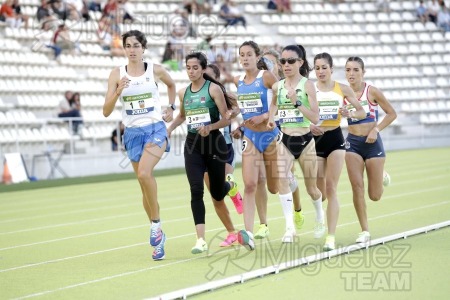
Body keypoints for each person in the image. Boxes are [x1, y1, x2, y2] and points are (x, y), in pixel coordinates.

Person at [103, 30, 176, 261]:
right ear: (124, 49)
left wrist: (171, 108)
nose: (132, 49)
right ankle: (159, 236)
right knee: (143, 186)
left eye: (136, 45)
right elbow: (106, 111)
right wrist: (118, 91)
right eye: (128, 46)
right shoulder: (116, 74)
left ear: (143, 48)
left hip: (155, 129)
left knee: (145, 174)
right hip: (132, 133)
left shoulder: (155, 70)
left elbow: (172, 86)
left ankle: (155, 225)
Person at [167, 52, 241, 254]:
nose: (191, 71)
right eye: (188, 68)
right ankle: (200, 239)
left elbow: (227, 119)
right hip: (193, 145)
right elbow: (182, 115)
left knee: (217, 193)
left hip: (214, 144)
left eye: (195, 68)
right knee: (196, 189)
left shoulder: (214, 89)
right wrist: (170, 129)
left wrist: (211, 127)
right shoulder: (183, 93)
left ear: (202, 68)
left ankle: (229, 185)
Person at [267, 45, 323, 243]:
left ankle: (319, 217)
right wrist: (271, 118)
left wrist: (297, 102)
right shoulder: (277, 86)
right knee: (282, 179)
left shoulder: (308, 85)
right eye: (283, 61)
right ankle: (289, 228)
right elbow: (274, 102)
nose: (286, 65)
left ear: (300, 62)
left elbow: (315, 117)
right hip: (285, 140)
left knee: (312, 189)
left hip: (306, 140)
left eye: (291, 61)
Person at [311, 52, 366, 251]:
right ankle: (319, 214)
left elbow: (362, 111)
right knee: (318, 191)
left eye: (324, 67)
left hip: (335, 138)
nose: (320, 71)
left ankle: (330, 237)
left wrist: (349, 113)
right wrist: (309, 126)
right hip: (315, 141)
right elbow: (299, 114)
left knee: (331, 187)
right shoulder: (309, 89)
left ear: (331, 69)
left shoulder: (341, 89)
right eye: (317, 68)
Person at [344, 56, 397, 244]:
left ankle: (381, 174)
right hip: (352, 144)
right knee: (356, 186)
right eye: (348, 70)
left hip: (373, 143)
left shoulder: (372, 91)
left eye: (355, 70)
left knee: (374, 196)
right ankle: (364, 230)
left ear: (363, 72)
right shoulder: (342, 93)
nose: (351, 74)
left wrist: (376, 129)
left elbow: (392, 113)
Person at [233, 41, 279, 251]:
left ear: (257, 56)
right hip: (250, 136)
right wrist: (239, 125)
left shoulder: (266, 77)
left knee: (274, 186)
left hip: (270, 135)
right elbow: (242, 109)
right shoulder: (239, 82)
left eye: (249, 54)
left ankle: (292, 192)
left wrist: (266, 116)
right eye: (241, 55)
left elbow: (282, 97)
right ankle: (248, 233)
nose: (244, 58)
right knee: (250, 184)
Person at [262, 49, 304, 232]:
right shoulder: (262, 84)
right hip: (267, 133)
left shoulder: (285, 84)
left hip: (287, 132)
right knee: (273, 188)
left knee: (284, 175)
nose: (268, 67)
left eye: (272, 63)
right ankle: (292, 184)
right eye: (265, 63)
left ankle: (297, 211)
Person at [204, 63, 243, 216]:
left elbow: (240, 108)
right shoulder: (199, 95)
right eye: (204, 76)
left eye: (209, 77)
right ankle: (232, 192)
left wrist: (235, 120)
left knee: (226, 177)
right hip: (206, 145)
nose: (206, 79)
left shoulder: (227, 95)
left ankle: (233, 190)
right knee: (216, 189)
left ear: (218, 78)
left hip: (224, 144)